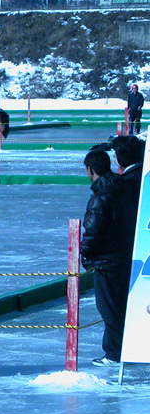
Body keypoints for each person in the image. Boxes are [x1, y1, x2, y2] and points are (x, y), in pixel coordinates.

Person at [81, 148, 137, 366]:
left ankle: (114, 353)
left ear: (90, 169)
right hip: (124, 255)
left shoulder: (103, 195)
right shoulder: (123, 187)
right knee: (119, 305)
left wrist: (86, 253)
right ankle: (122, 348)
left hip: (108, 260)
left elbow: (94, 230)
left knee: (109, 307)